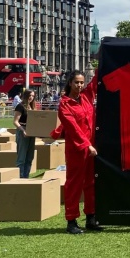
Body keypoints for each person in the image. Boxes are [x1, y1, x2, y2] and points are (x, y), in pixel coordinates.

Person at [51, 68, 102, 234]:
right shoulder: (64, 105)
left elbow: (95, 83)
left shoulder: (86, 96)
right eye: (76, 82)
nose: (79, 85)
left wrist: (102, 60)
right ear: (70, 83)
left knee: (91, 183)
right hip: (77, 149)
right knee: (74, 185)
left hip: (90, 148)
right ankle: (71, 221)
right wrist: (87, 145)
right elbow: (74, 130)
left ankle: (91, 218)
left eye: (81, 82)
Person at [13, 89, 37, 179]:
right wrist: (23, 130)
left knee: (30, 157)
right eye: (30, 95)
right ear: (25, 95)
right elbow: (15, 121)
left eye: (33, 96)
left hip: (31, 132)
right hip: (22, 131)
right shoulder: (20, 106)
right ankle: (20, 178)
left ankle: (26, 177)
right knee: (21, 158)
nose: (31, 97)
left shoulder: (32, 107)